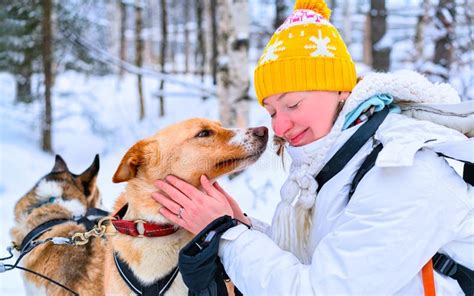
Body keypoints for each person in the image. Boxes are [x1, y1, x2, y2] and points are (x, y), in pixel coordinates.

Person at [151, 0, 474, 294]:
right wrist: (241, 226)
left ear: (341, 91)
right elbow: (315, 258)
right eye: (272, 111)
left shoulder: (403, 172)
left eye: (293, 104)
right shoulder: (334, 164)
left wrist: (227, 234)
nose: (279, 127)